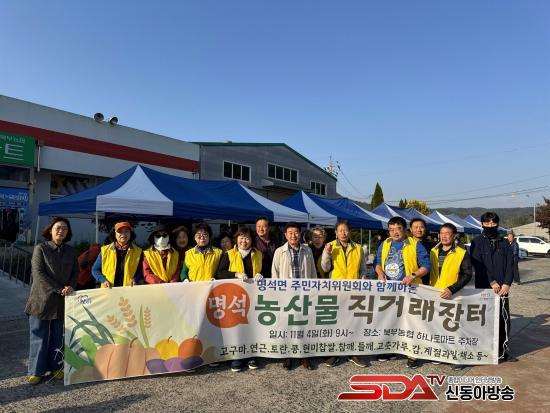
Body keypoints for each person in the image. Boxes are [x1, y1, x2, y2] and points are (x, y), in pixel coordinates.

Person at [25, 217, 78, 385]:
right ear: (50, 230)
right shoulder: (40, 249)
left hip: (62, 301)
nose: (61, 231)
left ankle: (56, 367)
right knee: (39, 336)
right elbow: (38, 274)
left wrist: (71, 286)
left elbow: (75, 273)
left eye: (65, 228)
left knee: (58, 336)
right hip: (41, 300)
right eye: (58, 228)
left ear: (68, 232)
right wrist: (59, 289)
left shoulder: (71, 251)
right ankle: (36, 371)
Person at [374, 216, 430, 369]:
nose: (395, 232)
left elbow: (426, 266)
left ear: (405, 230)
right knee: (389, 320)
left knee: (411, 322)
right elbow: (377, 263)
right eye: (391, 230)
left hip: (410, 290)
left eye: (398, 229)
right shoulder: (385, 243)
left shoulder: (415, 244)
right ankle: (389, 350)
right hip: (389, 290)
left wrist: (413, 275)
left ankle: (412, 354)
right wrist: (379, 273)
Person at [321, 220, 369, 368]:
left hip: (354, 291)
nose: (343, 233)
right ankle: (334, 353)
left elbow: (363, 270)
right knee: (336, 322)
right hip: (336, 291)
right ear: (336, 232)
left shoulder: (358, 248)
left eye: (346, 230)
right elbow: (325, 268)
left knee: (353, 322)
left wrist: (361, 283)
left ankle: (353, 353)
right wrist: (327, 253)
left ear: (350, 232)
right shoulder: (330, 246)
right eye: (340, 230)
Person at [470, 212, 516, 363]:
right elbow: (477, 264)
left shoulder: (504, 242)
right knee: (484, 319)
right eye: (487, 223)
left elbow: (510, 264)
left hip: (502, 289)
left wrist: (507, 283)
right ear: (481, 224)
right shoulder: (477, 242)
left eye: (493, 223)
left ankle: (502, 351)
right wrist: (491, 281)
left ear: (497, 224)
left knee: (503, 319)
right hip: (484, 287)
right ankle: (484, 349)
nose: (490, 226)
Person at [217, 226, 263, 372]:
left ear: (252, 240)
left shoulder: (258, 254)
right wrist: (235, 274)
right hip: (234, 298)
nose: (244, 241)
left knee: (252, 327)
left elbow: (266, 271)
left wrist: (261, 274)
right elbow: (220, 273)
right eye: (241, 237)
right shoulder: (229, 254)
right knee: (236, 327)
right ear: (236, 239)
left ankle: (252, 355)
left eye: (247, 238)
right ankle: (237, 357)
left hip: (253, 296)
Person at [271, 222, 317, 370]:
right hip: (287, 295)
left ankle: (304, 356)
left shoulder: (307, 250)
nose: (293, 235)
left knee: (303, 325)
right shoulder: (279, 251)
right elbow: (275, 274)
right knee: (288, 326)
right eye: (290, 233)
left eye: (296, 232)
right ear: (285, 235)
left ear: (300, 234)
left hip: (304, 294)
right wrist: (278, 293)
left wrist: (313, 290)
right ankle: (288, 356)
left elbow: (313, 272)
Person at [429, 223, 473, 370]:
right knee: (437, 326)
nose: (444, 236)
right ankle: (440, 353)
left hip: (453, 295)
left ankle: (458, 358)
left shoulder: (461, 253)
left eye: (447, 233)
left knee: (455, 328)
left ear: (454, 236)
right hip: (435, 294)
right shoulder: (433, 251)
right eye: (441, 233)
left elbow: (467, 274)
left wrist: (452, 289)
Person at [92, 222, 143, 288]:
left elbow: (140, 270)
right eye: (120, 231)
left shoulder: (138, 251)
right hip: (108, 289)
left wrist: (135, 278)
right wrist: (103, 280)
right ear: (115, 234)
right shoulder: (105, 250)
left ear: (131, 233)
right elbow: (95, 270)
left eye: (126, 231)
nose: (123, 234)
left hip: (129, 289)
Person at [409, 218, 436, 286]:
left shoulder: (433, 246)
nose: (419, 230)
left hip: (428, 282)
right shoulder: (406, 244)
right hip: (410, 280)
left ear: (425, 229)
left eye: (421, 227)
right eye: (416, 227)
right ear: (411, 229)